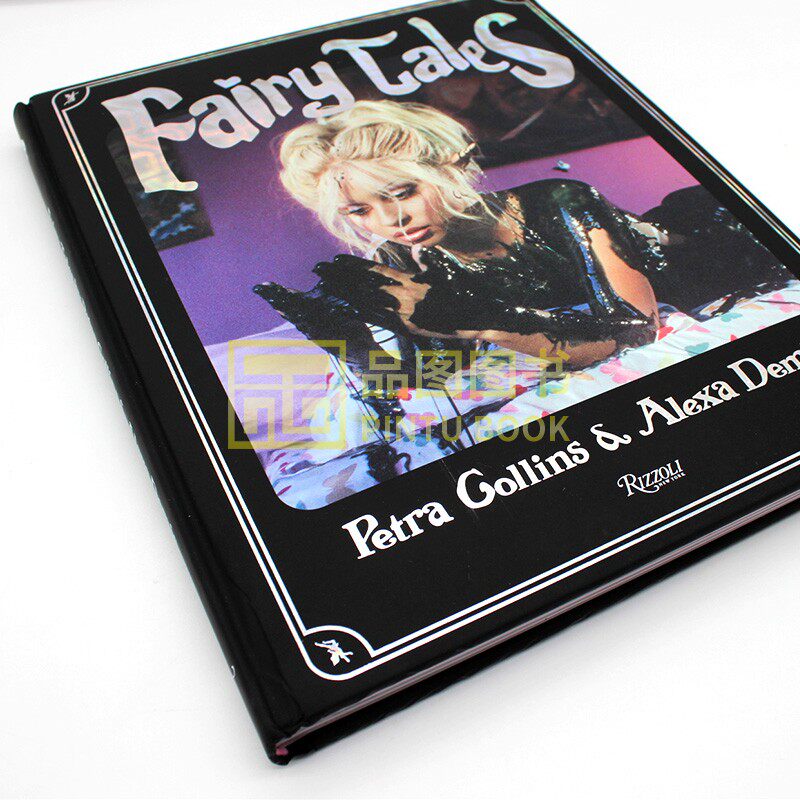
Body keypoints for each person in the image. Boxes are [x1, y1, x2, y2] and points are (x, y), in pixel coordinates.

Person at [255, 99, 788, 384]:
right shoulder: (398, 257)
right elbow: (440, 369)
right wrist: (354, 346)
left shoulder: (559, 199)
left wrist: (485, 322)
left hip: (720, 246)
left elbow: (634, 328)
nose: (390, 220)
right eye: (359, 211)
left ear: (448, 170)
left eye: (403, 192)